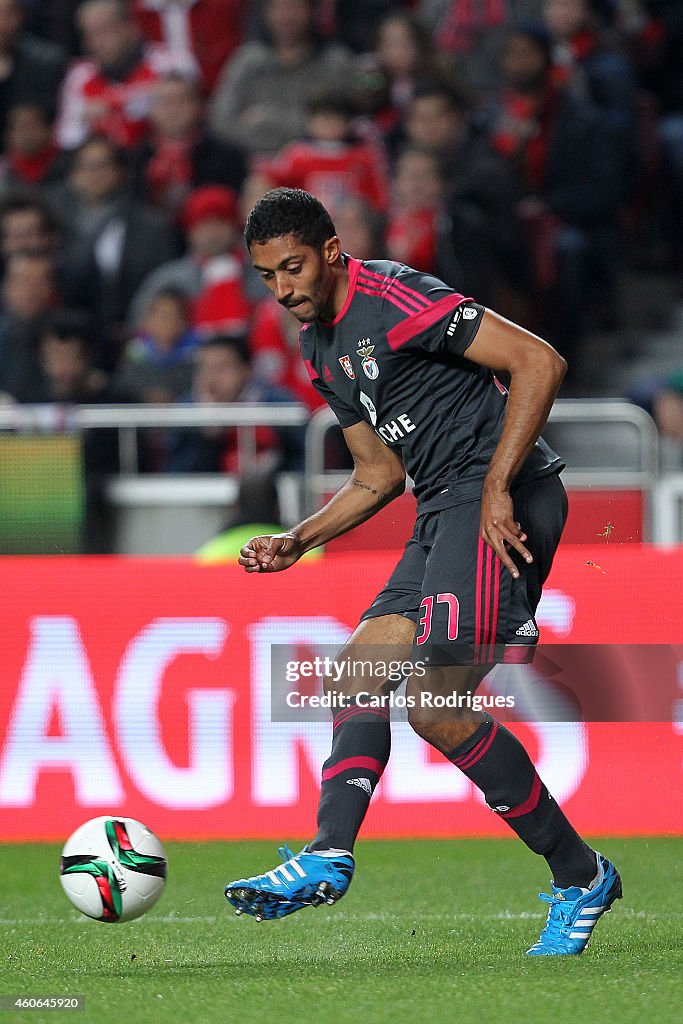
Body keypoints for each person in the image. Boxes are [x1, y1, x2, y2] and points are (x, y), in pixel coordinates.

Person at [224, 187, 623, 957]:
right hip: (443, 507)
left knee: (434, 707)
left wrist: (501, 484)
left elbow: (539, 360)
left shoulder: (395, 296)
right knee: (354, 680)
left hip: (499, 499)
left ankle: (579, 878)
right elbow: (377, 474)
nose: (284, 289)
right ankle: (329, 852)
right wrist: (298, 538)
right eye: (268, 276)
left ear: (332, 251)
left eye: (295, 267)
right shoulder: (321, 347)